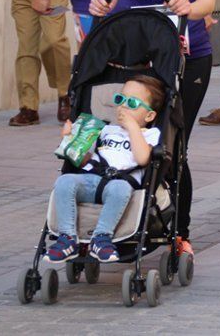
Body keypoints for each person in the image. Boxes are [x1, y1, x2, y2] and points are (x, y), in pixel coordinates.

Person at [89, 0, 216, 260]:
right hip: (138, 58)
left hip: (187, 57)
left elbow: (208, 0)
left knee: (173, 146)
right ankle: (126, 225)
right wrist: (101, 3)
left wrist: (188, 5)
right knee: (131, 138)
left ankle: (180, 233)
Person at [45, 75, 164, 263]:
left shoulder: (149, 134)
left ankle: (101, 237)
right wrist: (70, 139)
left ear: (149, 115)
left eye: (131, 103)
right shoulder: (107, 129)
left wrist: (133, 127)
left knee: (120, 188)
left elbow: (142, 159)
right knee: (64, 181)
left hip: (121, 185)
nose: (123, 106)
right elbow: (85, 161)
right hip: (92, 179)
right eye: (120, 100)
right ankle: (67, 238)